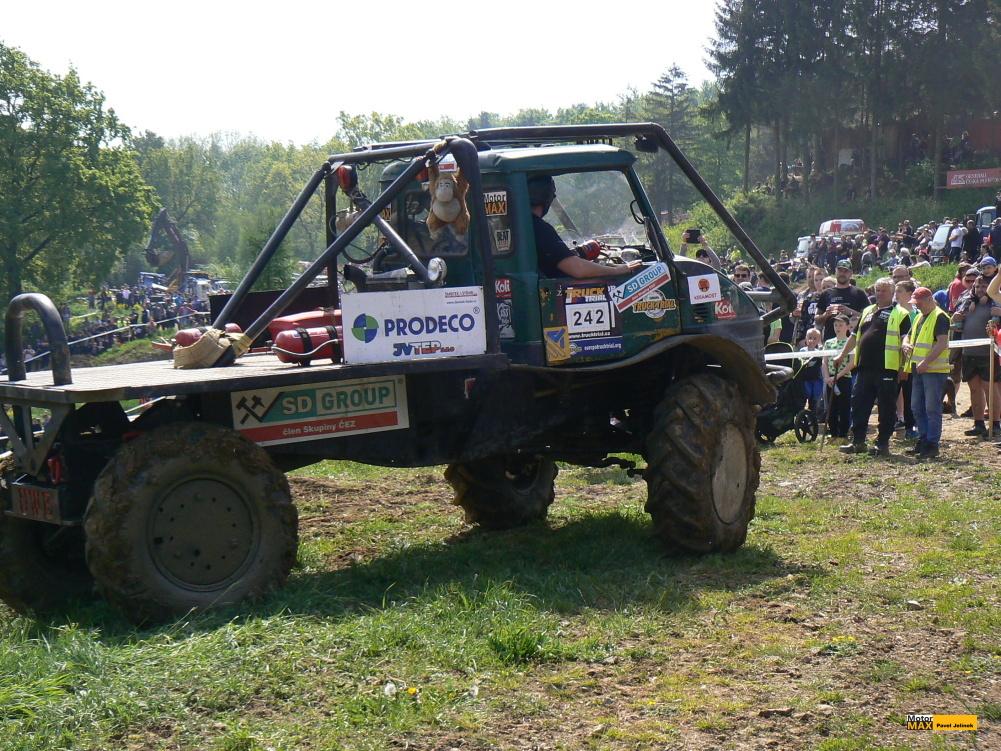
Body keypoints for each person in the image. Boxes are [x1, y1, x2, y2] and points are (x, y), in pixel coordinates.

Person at [833, 277, 910, 456]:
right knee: (859, 404)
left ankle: (882, 444)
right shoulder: (867, 311)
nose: (880, 294)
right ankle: (858, 441)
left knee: (886, 407)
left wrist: (905, 357)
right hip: (864, 367)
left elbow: (905, 337)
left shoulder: (901, 313)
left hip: (887, 367)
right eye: (877, 290)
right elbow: (854, 336)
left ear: (892, 293)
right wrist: (842, 355)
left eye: (884, 291)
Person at [528, 176, 637, 279]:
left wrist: (580, 252)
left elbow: (555, 255)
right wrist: (618, 270)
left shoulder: (526, 226)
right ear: (547, 198)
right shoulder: (539, 229)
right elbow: (578, 269)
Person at [901, 287, 951, 459]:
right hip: (918, 369)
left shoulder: (940, 316)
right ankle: (923, 440)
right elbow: (908, 335)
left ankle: (932, 444)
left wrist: (926, 362)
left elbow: (942, 343)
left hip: (934, 370)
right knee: (916, 406)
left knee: (932, 408)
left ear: (929, 299)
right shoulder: (919, 317)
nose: (917, 306)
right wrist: (905, 343)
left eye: (919, 302)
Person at [951, 274, 1001, 437]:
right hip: (968, 352)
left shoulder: (995, 303)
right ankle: (978, 423)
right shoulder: (967, 302)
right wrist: (955, 318)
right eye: (977, 286)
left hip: (988, 353)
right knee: (974, 389)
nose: (980, 289)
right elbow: (957, 325)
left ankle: (995, 424)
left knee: (990, 389)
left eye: (984, 286)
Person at [815, 260, 870, 340]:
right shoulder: (826, 293)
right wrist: (826, 314)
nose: (842, 274)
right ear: (836, 271)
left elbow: (869, 317)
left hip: (853, 340)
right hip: (830, 341)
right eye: (840, 270)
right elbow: (816, 319)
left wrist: (850, 312)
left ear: (851, 273)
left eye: (845, 271)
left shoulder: (859, 293)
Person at [823, 315, 854, 439]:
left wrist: (838, 376)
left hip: (844, 378)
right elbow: (824, 361)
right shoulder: (828, 342)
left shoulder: (850, 343)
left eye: (841, 325)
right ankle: (833, 433)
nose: (838, 328)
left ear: (847, 327)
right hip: (830, 379)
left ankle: (843, 434)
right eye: (836, 325)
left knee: (844, 407)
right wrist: (827, 377)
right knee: (831, 408)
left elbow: (852, 363)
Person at [798, 328, 825, 412]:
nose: (812, 340)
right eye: (810, 338)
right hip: (805, 378)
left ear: (818, 340)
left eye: (815, 338)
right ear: (806, 338)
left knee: (815, 397)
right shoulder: (802, 351)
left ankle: (813, 414)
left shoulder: (819, 352)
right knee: (805, 394)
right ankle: (801, 413)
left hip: (816, 378)